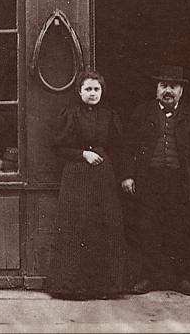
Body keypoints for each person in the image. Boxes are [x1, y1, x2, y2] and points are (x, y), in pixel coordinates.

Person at [119, 65, 190, 296]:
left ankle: (180, 279)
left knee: (179, 229)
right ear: (156, 89)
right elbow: (127, 146)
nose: (167, 90)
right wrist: (128, 175)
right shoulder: (142, 112)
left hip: (182, 180)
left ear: (181, 91)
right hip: (149, 180)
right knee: (148, 229)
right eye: (163, 86)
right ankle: (149, 277)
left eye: (173, 86)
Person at [46, 70, 129, 299]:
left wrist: (121, 173)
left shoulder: (109, 115)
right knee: (77, 227)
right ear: (79, 91)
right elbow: (57, 147)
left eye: (97, 89)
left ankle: (104, 287)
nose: (93, 94)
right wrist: (82, 154)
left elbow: (119, 147)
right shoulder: (70, 114)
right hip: (77, 176)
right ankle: (73, 287)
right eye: (88, 89)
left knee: (103, 226)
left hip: (103, 177)